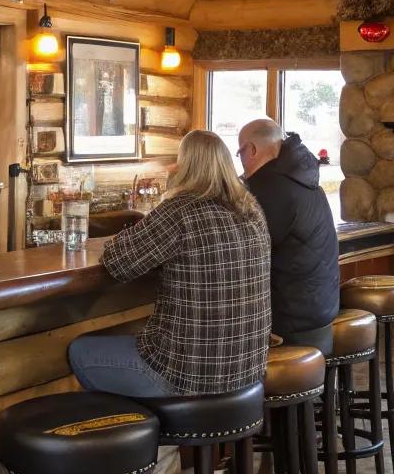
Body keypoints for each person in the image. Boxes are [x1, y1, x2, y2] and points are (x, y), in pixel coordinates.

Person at [69, 129, 271, 397]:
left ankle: (145, 433)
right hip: (248, 374)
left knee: (80, 352)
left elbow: (117, 262)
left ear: (186, 165)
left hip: (184, 377)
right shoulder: (251, 210)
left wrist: (126, 235)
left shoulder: (179, 212)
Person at [237, 117, 339, 354]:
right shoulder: (302, 176)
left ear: (251, 150)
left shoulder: (271, 188)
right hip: (320, 306)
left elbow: (244, 253)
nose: (240, 162)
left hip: (292, 319)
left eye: (239, 153)